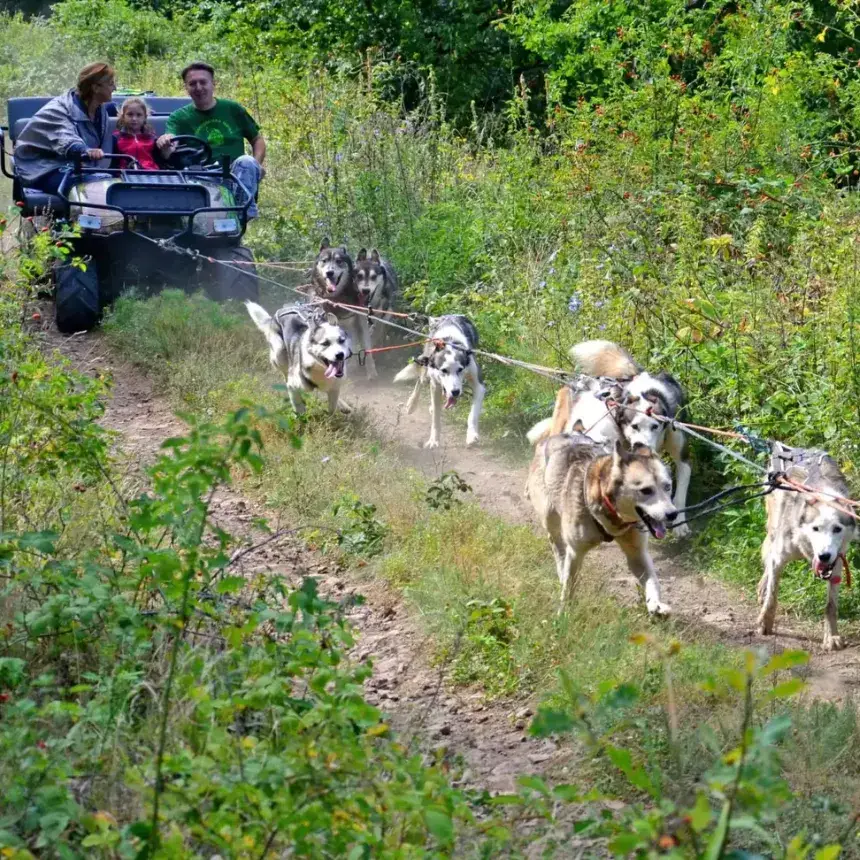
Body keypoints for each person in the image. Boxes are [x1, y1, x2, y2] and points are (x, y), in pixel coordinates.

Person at [157, 62, 266, 217]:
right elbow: (170, 146)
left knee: (247, 162)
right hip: (202, 176)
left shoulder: (232, 109)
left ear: (213, 84)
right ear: (186, 88)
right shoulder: (178, 117)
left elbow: (257, 139)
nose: (199, 88)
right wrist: (166, 142)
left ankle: (241, 213)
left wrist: (257, 164)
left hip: (234, 175)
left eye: (203, 82)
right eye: (192, 84)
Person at [14, 62, 117, 195]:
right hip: (44, 169)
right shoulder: (58, 110)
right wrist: (85, 150)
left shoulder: (100, 108)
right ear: (95, 88)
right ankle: (87, 216)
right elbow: (66, 139)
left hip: (77, 167)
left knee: (119, 182)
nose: (114, 87)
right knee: (95, 188)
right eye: (110, 84)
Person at [112, 97, 163, 170]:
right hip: (125, 174)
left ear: (145, 117)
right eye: (130, 114)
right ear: (123, 117)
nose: (134, 119)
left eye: (139, 115)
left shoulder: (152, 138)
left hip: (151, 173)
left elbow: (160, 160)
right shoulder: (116, 138)